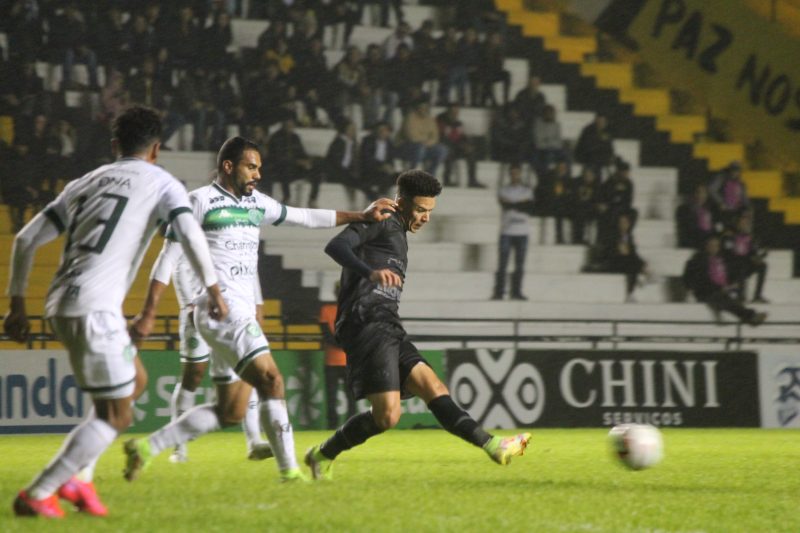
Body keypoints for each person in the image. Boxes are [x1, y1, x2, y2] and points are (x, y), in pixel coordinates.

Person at [123, 137, 396, 483]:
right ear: (228, 166)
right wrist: (148, 312)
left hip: (238, 312)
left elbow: (303, 216)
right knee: (271, 379)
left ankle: (147, 447)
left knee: (231, 410)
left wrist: (360, 214)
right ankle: (290, 473)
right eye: (251, 167)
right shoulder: (199, 201)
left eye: (259, 168)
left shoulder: (256, 203)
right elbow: (167, 257)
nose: (257, 174)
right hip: (218, 308)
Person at [5, 105, 227, 518]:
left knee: (136, 381)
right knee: (118, 412)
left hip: (60, 304)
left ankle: (81, 480)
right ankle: (38, 493)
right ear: (157, 148)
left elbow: (23, 239)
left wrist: (17, 304)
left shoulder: (85, 182)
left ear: (114, 145)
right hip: (94, 310)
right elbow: (190, 235)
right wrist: (214, 290)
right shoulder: (163, 183)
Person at [304, 170, 532, 480]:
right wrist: (368, 271)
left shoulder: (399, 232)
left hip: (387, 323)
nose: (425, 217)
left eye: (430, 211)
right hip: (366, 321)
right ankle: (322, 454)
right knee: (387, 417)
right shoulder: (382, 220)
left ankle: (494, 446)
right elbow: (336, 247)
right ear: (401, 202)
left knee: (433, 388)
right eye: (421, 209)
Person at [152, 236, 273, 464]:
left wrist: (257, 303)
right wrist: (188, 303)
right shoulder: (188, 222)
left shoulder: (231, 223)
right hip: (196, 311)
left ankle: (254, 441)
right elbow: (175, 264)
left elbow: (246, 264)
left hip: (230, 310)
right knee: (192, 376)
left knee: (247, 370)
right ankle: (179, 448)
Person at [682, 234, 767, 325]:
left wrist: (753, 265)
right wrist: (719, 287)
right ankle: (751, 317)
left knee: (727, 295)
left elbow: (730, 274)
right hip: (705, 292)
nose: (714, 248)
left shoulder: (719, 259)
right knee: (722, 298)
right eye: (712, 245)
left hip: (718, 290)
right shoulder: (699, 260)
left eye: (716, 246)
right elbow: (700, 280)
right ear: (706, 246)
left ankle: (749, 317)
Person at [492, 164, 534, 300]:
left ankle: (516, 291)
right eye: (513, 173)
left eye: (517, 173)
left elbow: (527, 206)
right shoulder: (504, 190)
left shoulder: (527, 190)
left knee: (520, 264)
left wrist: (513, 205)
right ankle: (499, 291)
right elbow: (506, 204)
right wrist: (519, 204)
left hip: (522, 232)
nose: (515, 176)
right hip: (507, 231)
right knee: (502, 263)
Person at [320, 284, 356, 429]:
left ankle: (348, 426)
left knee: (348, 398)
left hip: (344, 362)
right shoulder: (327, 310)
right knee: (334, 398)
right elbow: (326, 335)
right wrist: (345, 345)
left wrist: (340, 344)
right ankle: (334, 426)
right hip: (335, 362)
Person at [722, 213, 768, 303]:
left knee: (762, 265)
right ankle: (741, 295)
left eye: (747, 223)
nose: (745, 225)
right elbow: (727, 253)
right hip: (731, 266)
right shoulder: (729, 235)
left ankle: (757, 296)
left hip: (745, 264)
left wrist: (760, 256)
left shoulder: (749, 237)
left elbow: (752, 253)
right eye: (743, 223)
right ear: (737, 223)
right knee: (741, 264)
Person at [400, 100, 448, 176]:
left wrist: (427, 142)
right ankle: (411, 173)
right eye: (422, 108)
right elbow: (411, 137)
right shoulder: (410, 117)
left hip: (426, 146)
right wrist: (425, 139)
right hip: (407, 147)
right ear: (417, 108)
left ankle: (430, 173)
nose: (424, 110)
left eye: (426, 108)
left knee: (442, 150)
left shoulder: (430, 119)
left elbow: (435, 137)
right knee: (420, 148)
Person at [359, 121, 398, 197]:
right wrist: (381, 166)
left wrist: (390, 167)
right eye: (380, 130)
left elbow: (391, 159)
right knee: (385, 177)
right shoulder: (367, 141)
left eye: (384, 130)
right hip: (371, 170)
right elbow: (366, 158)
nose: (382, 132)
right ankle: (380, 196)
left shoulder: (389, 143)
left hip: (385, 170)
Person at [676, 183, 716, 249]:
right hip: (691, 245)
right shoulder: (684, 210)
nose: (701, 195)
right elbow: (685, 231)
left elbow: (711, 230)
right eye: (698, 192)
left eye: (704, 193)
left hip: (706, 246)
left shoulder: (709, 210)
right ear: (693, 194)